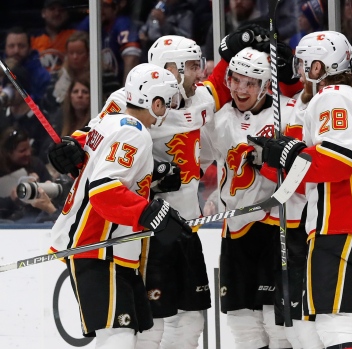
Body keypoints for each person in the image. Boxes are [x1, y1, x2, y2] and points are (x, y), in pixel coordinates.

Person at [47, 28, 269, 349]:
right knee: (152, 323)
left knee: (191, 321)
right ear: (170, 68)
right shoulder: (127, 102)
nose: (199, 71)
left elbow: (222, 82)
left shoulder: (201, 96)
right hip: (150, 228)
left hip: (185, 225)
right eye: (192, 66)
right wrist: (70, 146)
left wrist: (236, 45)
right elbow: (98, 137)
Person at [249, 31, 352, 349]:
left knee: (334, 328)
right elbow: (317, 171)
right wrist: (277, 158)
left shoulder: (331, 96)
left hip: (344, 224)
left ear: (318, 67)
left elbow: (337, 161)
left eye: (303, 63)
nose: (299, 70)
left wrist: (286, 154)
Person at [49, 63, 190, 349]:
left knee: (134, 339)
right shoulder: (135, 133)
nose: (170, 110)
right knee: (118, 340)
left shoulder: (109, 120)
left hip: (113, 251)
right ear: (156, 103)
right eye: (167, 103)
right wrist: (150, 213)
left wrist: (156, 177)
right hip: (99, 249)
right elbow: (103, 191)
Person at [211, 46, 293, 349]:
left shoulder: (288, 112)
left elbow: (305, 169)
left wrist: (274, 161)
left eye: (250, 83)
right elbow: (195, 159)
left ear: (265, 85)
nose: (241, 89)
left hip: (274, 227)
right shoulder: (219, 120)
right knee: (242, 322)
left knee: (278, 324)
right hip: (235, 228)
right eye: (235, 80)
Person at [76, 0, 141, 94]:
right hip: (101, 88)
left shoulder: (123, 24)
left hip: (119, 87)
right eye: (98, 5)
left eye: (105, 6)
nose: (100, 9)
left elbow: (131, 59)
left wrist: (126, 93)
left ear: (115, 8)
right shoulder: (94, 21)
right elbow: (75, 40)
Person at [0, 127, 54, 222]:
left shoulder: (36, 164)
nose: (28, 153)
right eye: (22, 151)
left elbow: (53, 194)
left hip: (34, 216)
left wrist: (39, 188)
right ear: (8, 153)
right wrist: (11, 199)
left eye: (29, 148)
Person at [3, 26, 51, 104]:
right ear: (5, 48)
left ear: (29, 49)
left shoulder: (42, 75)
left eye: (21, 46)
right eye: (11, 46)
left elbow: (44, 105)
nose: (16, 51)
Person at [30, 0, 76, 75]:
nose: (57, 13)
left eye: (61, 10)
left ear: (67, 14)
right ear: (43, 13)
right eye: (52, 9)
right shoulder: (33, 39)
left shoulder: (74, 34)